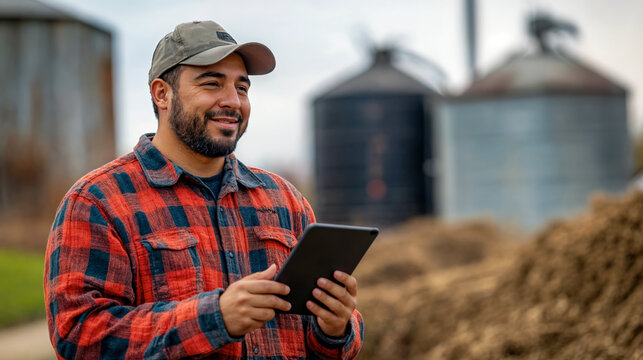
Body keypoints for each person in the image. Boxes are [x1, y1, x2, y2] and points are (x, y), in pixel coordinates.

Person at [44, 20, 363, 359]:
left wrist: (335, 329)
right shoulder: (98, 201)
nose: (233, 101)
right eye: (212, 83)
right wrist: (214, 319)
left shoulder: (285, 200)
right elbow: (79, 335)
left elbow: (330, 346)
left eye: (242, 88)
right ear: (161, 94)